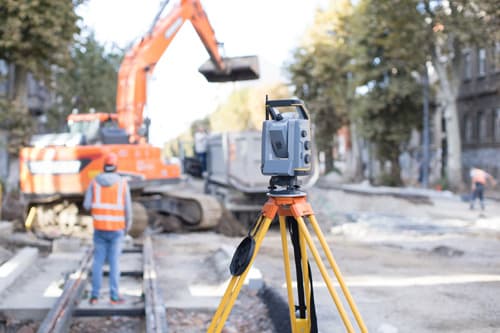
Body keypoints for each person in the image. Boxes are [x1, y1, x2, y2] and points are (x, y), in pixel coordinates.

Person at [83, 152, 132, 305]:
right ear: (116, 167)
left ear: (104, 166)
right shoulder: (123, 184)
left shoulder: (94, 182)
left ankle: (95, 296)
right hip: (117, 230)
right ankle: (114, 296)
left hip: (99, 229)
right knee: (114, 263)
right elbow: (128, 210)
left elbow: (86, 205)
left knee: (98, 262)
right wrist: (127, 228)